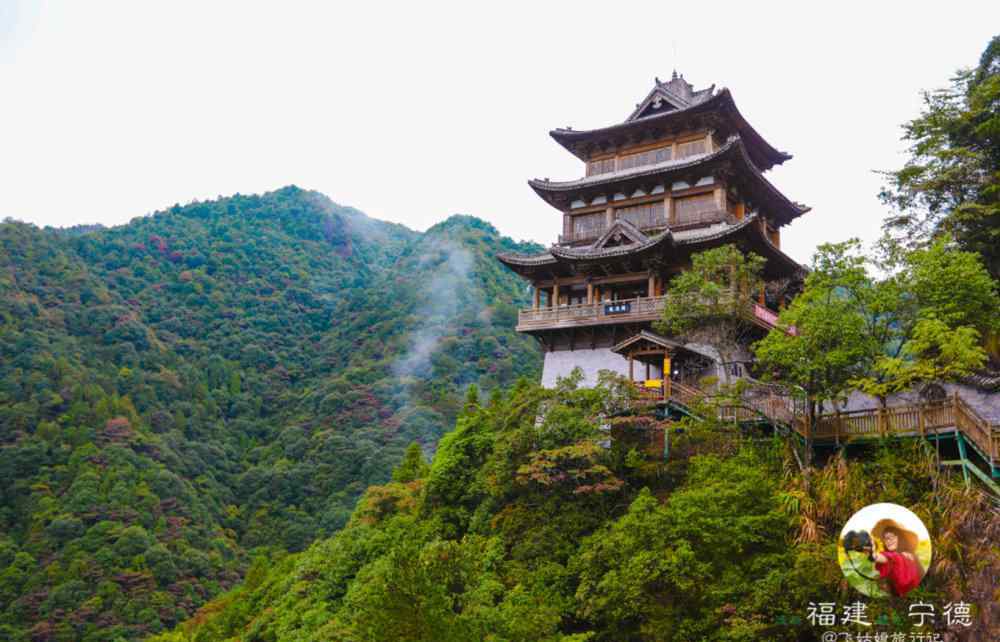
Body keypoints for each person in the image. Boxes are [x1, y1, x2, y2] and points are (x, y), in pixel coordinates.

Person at [869, 518, 924, 597]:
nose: (889, 541)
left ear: (900, 538)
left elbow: (875, 557)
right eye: (886, 538)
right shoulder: (908, 555)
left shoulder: (897, 556)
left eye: (892, 537)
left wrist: (870, 547)